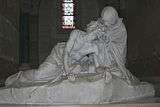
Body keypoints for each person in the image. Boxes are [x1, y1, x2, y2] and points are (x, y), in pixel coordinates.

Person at [5, 6, 139, 87]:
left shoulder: (94, 48)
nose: (96, 33)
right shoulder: (76, 34)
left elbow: (98, 66)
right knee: (40, 75)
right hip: (60, 56)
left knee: (84, 69)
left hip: (71, 64)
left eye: (98, 33)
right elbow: (66, 53)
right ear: (89, 29)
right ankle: (19, 77)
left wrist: (104, 71)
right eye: (95, 30)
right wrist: (68, 70)